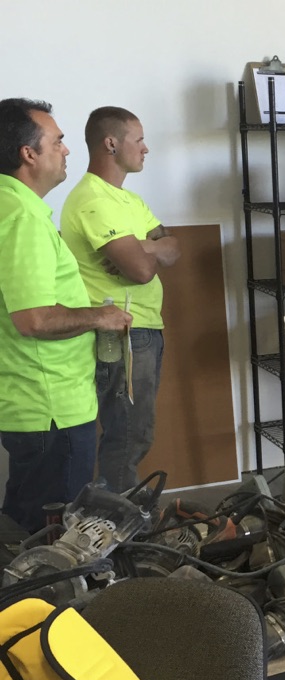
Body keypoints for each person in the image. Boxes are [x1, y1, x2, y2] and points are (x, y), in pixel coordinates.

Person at [0, 99, 132, 533]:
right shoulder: (21, 218)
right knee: (56, 540)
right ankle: (46, 600)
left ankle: (23, 596)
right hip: (50, 407)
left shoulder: (16, 208)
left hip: (35, 403)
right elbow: (33, 319)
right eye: (57, 141)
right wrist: (100, 318)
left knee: (25, 523)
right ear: (28, 153)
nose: (67, 150)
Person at [61, 107, 180, 493]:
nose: (146, 149)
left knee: (134, 431)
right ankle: (119, 522)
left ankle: (118, 512)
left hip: (145, 328)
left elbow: (174, 247)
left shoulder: (128, 200)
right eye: (139, 139)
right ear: (111, 143)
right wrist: (149, 252)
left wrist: (143, 246)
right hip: (123, 333)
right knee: (127, 433)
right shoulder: (92, 200)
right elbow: (142, 271)